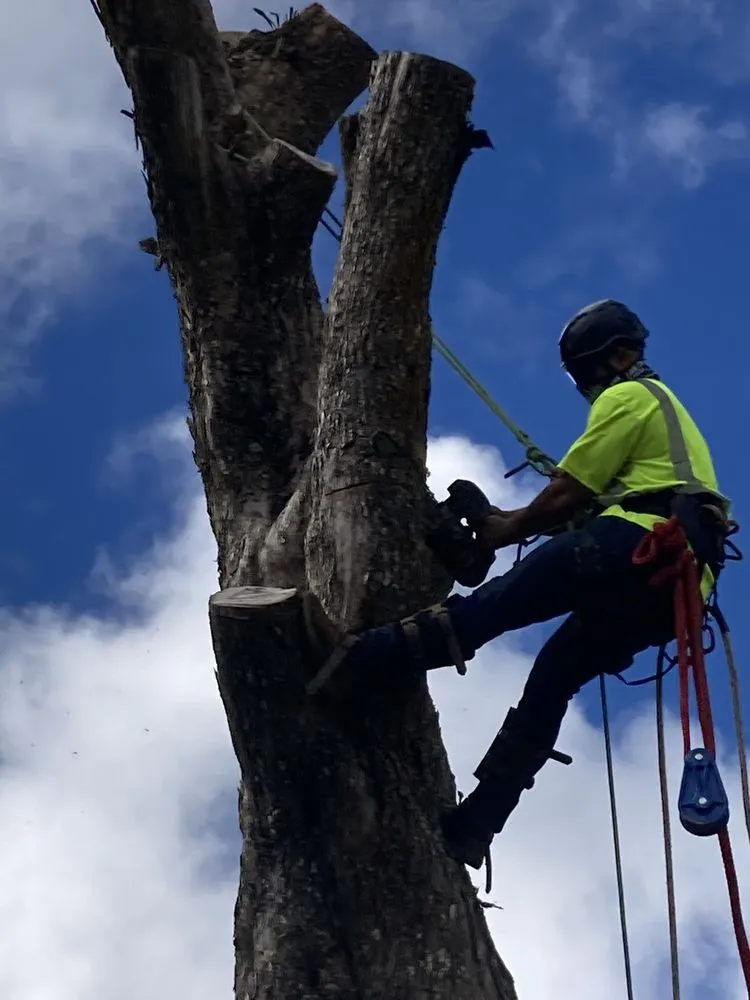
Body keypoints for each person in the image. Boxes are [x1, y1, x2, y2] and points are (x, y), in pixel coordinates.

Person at [304, 298, 731, 874]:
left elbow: (568, 493)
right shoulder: (668, 435)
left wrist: (502, 532)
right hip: (670, 592)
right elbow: (580, 507)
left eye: (589, 372)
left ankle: (357, 659)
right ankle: (476, 823)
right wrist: (502, 525)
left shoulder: (631, 397)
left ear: (623, 356)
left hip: (637, 545)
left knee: (496, 605)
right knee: (551, 681)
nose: (588, 387)